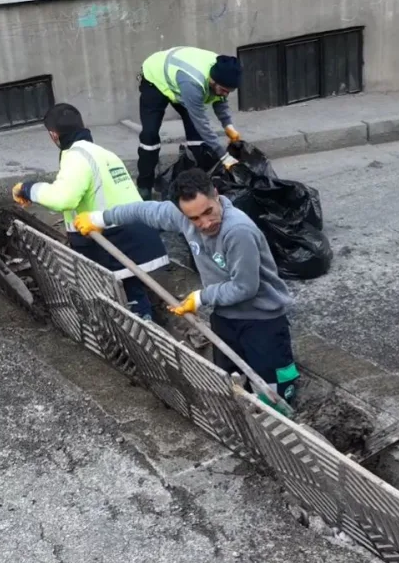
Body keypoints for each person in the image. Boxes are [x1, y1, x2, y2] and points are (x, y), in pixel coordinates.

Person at [72, 168, 299, 406]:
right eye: (194, 218)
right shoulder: (182, 215)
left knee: (274, 391)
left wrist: (201, 297)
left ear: (216, 194)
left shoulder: (237, 231)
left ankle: (280, 425)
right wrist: (101, 218)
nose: (205, 223)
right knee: (231, 383)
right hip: (225, 317)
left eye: (208, 212)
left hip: (262, 321)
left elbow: (245, 287)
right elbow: (143, 210)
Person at [12, 103, 169, 320]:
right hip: (140, 238)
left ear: (53, 135)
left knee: (117, 305)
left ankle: (134, 336)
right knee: (134, 299)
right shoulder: (102, 153)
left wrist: (28, 189)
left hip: (114, 242)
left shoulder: (76, 157)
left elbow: (63, 198)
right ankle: (144, 326)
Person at [137, 47, 243, 200]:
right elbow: (201, 122)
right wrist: (223, 156)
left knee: (198, 140)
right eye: (224, 90)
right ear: (213, 81)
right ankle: (144, 187)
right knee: (150, 137)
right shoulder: (193, 84)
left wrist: (228, 126)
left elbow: (220, 100)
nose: (226, 94)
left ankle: (203, 186)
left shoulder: (224, 69)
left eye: (230, 91)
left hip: (181, 83)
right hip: (156, 79)